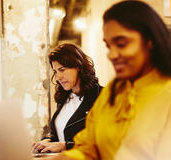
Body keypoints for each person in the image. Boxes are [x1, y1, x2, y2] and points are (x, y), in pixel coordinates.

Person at [38, 0, 171, 159]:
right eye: (108, 46)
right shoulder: (111, 95)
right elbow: (88, 148)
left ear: (151, 42)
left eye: (121, 44)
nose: (111, 55)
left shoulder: (166, 95)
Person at [32, 43, 102, 153]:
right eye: (55, 71)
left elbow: (104, 141)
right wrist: (47, 141)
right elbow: (61, 134)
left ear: (78, 66)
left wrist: (65, 146)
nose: (58, 77)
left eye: (62, 70)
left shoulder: (102, 97)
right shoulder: (64, 98)